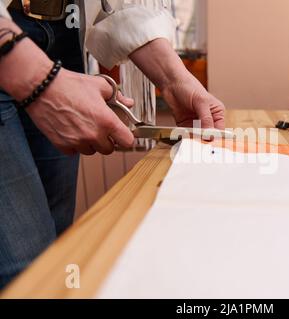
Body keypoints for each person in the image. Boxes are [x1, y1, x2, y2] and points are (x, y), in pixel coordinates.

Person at [0, 0, 225, 289]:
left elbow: (119, 5)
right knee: (30, 272)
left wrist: (174, 79)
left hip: (65, 33)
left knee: (55, 250)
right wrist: (37, 79)